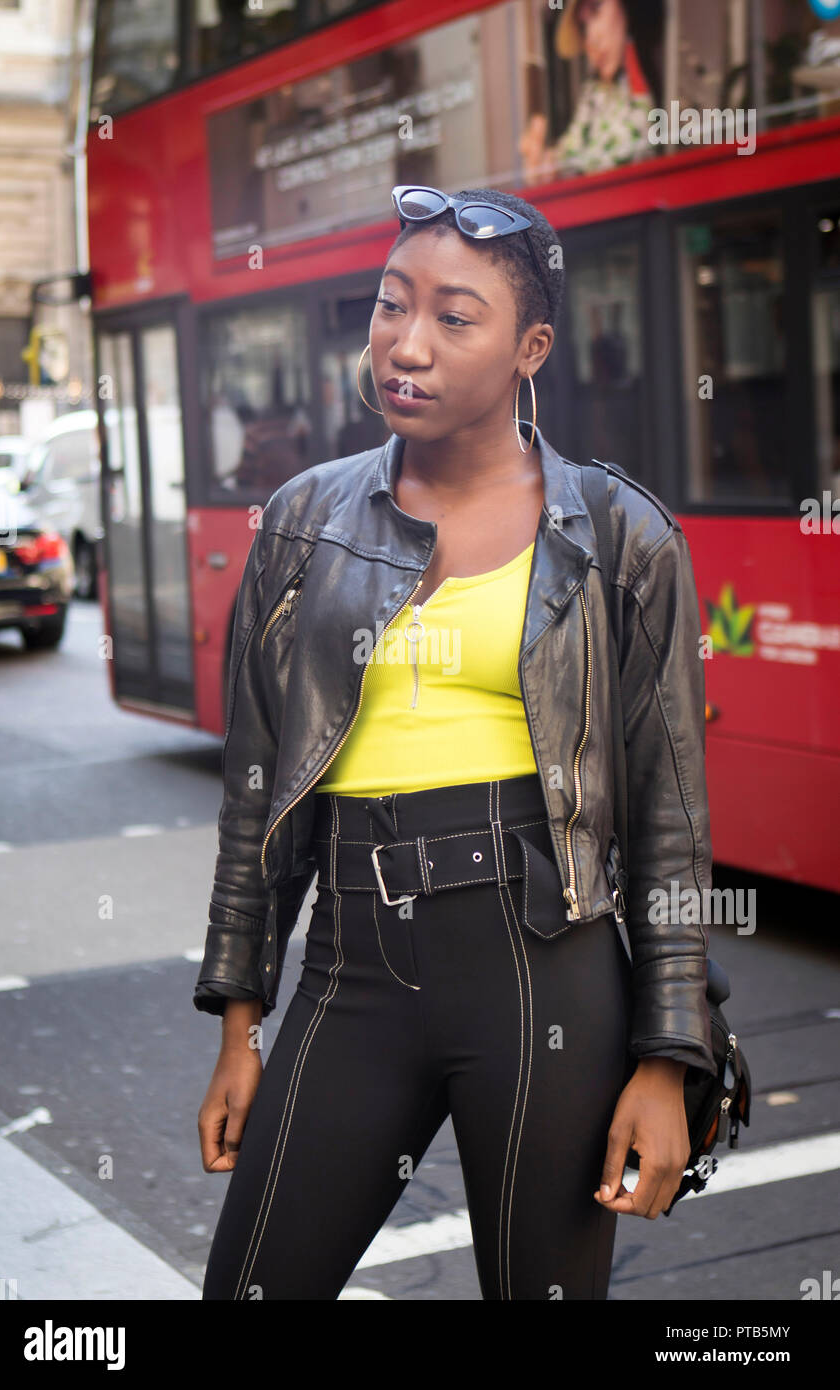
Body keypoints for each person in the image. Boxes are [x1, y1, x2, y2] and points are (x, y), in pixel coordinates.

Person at [194, 184, 716, 1301]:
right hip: (348, 970)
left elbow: (670, 819)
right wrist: (241, 1022)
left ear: (530, 346)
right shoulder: (299, 522)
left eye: (453, 316)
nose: (405, 345)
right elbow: (254, 800)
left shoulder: (620, 534)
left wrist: (670, 1058)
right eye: (390, 305)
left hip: (544, 968)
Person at [519, 0, 664, 184]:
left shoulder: (651, 66)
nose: (591, 38)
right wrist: (547, 162)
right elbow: (573, 149)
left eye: (596, 10)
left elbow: (635, 149)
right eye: (583, 26)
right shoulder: (595, 90)